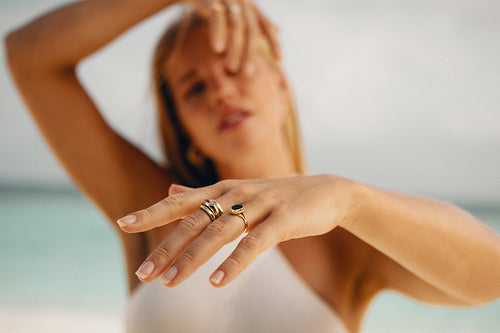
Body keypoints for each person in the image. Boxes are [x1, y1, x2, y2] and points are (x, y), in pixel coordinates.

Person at [5, 0, 500, 332]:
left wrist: (349, 197)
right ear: (186, 131)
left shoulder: (346, 236)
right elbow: (29, 56)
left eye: (237, 65)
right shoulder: (157, 207)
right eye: (194, 87)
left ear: (282, 86)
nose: (221, 90)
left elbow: (492, 275)